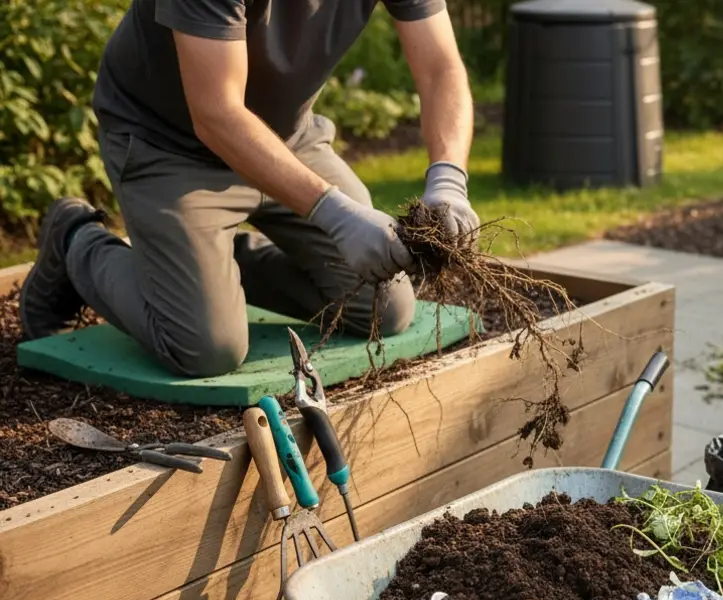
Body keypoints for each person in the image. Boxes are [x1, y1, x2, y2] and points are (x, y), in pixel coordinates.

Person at [18, 1, 480, 377]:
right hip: (171, 143)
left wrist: (448, 178)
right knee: (205, 348)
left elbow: (441, 70)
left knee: (386, 308)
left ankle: (199, 265)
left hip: (289, 139)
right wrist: (333, 213)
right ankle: (76, 239)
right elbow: (217, 114)